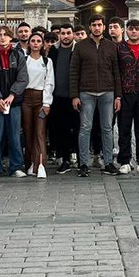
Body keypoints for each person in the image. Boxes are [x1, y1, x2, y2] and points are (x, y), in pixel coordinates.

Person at [70, 14, 121, 177]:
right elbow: (74, 72)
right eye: (94, 25)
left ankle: (108, 163)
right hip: (86, 92)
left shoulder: (111, 46)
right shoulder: (80, 46)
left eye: (100, 24)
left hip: (107, 92)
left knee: (107, 128)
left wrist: (118, 96)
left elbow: (116, 72)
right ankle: (83, 163)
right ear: (89, 27)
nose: (97, 28)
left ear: (104, 27)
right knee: (85, 128)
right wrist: (74, 95)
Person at [0, 25, 28, 178]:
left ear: (10, 37)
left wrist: (12, 95)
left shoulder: (18, 55)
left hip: (13, 103)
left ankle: (16, 166)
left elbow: (23, 78)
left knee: (14, 135)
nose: (2, 37)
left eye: (5, 35)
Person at [115, 20, 139, 174]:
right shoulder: (119, 48)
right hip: (125, 92)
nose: (134, 32)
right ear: (126, 31)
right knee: (124, 127)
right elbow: (116, 72)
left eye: (137, 29)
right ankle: (124, 160)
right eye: (131, 29)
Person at [22, 32, 54, 178]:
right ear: (29, 43)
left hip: (40, 97)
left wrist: (47, 102)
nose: (35, 43)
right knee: (28, 132)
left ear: (42, 44)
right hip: (26, 98)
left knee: (40, 132)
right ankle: (29, 164)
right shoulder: (24, 60)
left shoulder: (47, 61)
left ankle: (40, 164)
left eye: (38, 41)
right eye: (33, 41)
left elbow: (49, 82)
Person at [48, 22, 79, 173]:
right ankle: (64, 159)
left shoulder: (78, 49)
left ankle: (80, 158)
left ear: (73, 34)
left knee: (78, 128)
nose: (66, 36)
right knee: (61, 129)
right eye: (63, 33)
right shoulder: (54, 50)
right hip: (58, 96)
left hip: (75, 96)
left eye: (68, 33)